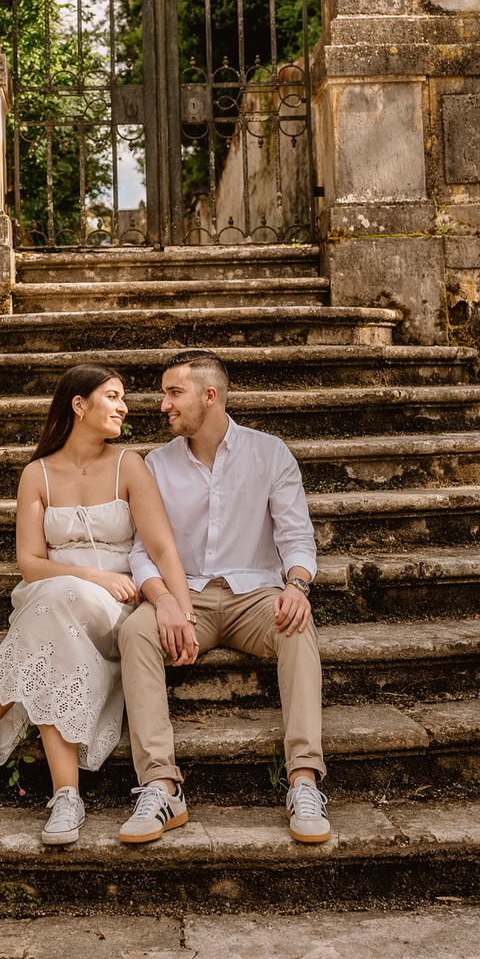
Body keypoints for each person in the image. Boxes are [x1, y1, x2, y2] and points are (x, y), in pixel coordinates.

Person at [0, 363, 197, 846]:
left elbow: (162, 548)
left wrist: (182, 610)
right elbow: (30, 563)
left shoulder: (129, 465)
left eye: (123, 398)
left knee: (52, 613)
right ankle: (66, 796)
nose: (124, 407)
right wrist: (92, 575)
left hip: (114, 608)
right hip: (54, 595)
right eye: (113, 396)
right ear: (79, 405)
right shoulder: (37, 474)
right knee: (54, 610)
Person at [117, 350, 328, 847]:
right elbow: (142, 550)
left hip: (255, 596)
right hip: (185, 593)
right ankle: (161, 787)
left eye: (174, 393)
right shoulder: (156, 464)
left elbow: (297, 537)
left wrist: (297, 585)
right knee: (135, 632)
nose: (163, 405)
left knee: (298, 627)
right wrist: (164, 602)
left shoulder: (269, 453)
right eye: (164, 393)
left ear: (209, 396)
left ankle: (303, 782)